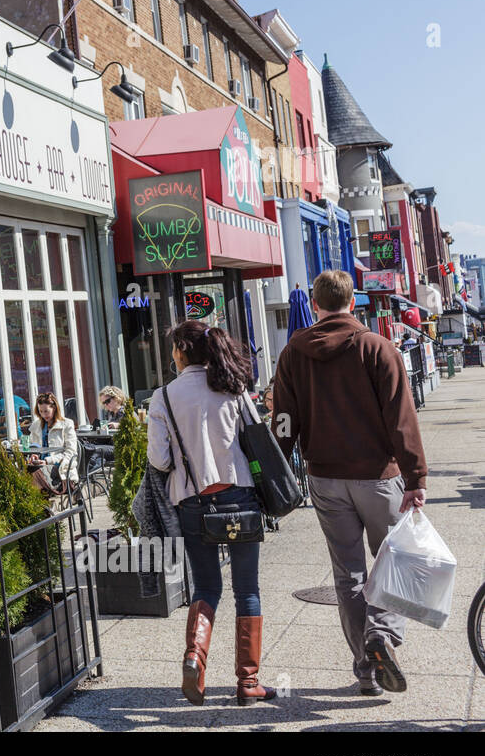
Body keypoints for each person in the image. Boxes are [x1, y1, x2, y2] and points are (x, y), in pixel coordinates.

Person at [272, 270, 428, 697]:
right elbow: (401, 420)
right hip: (378, 476)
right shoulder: (378, 349)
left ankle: (366, 670)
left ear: (317, 305)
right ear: (353, 303)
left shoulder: (293, 354)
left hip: (324, 477)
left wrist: (278, 471)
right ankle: (381, 635)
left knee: (349, 575)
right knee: (397, 559)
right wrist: (416, 476)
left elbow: (284, 421)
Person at [147, 320, 275, 706]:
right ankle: (248, 682)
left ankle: (194, 658)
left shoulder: (163, 397)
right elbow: (256, 439)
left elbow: (160, 459)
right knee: (247, 590)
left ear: (182, 351)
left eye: (173, 348)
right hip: (239, 496)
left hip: (193, 502)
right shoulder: (233, 388)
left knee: (206, 588)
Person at [27, 393, 79, 494]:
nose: (43, 414)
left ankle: (40, 504)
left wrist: (48, 461)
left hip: (60, 470)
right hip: (41, 467)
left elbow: (71, 452)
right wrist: (34, 456)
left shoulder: (66, 424)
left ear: (54, 408)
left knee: (34, 473)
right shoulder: (36, 426)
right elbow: (33, 447)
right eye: (41, 411)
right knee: (26, 470)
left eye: (46, 411)